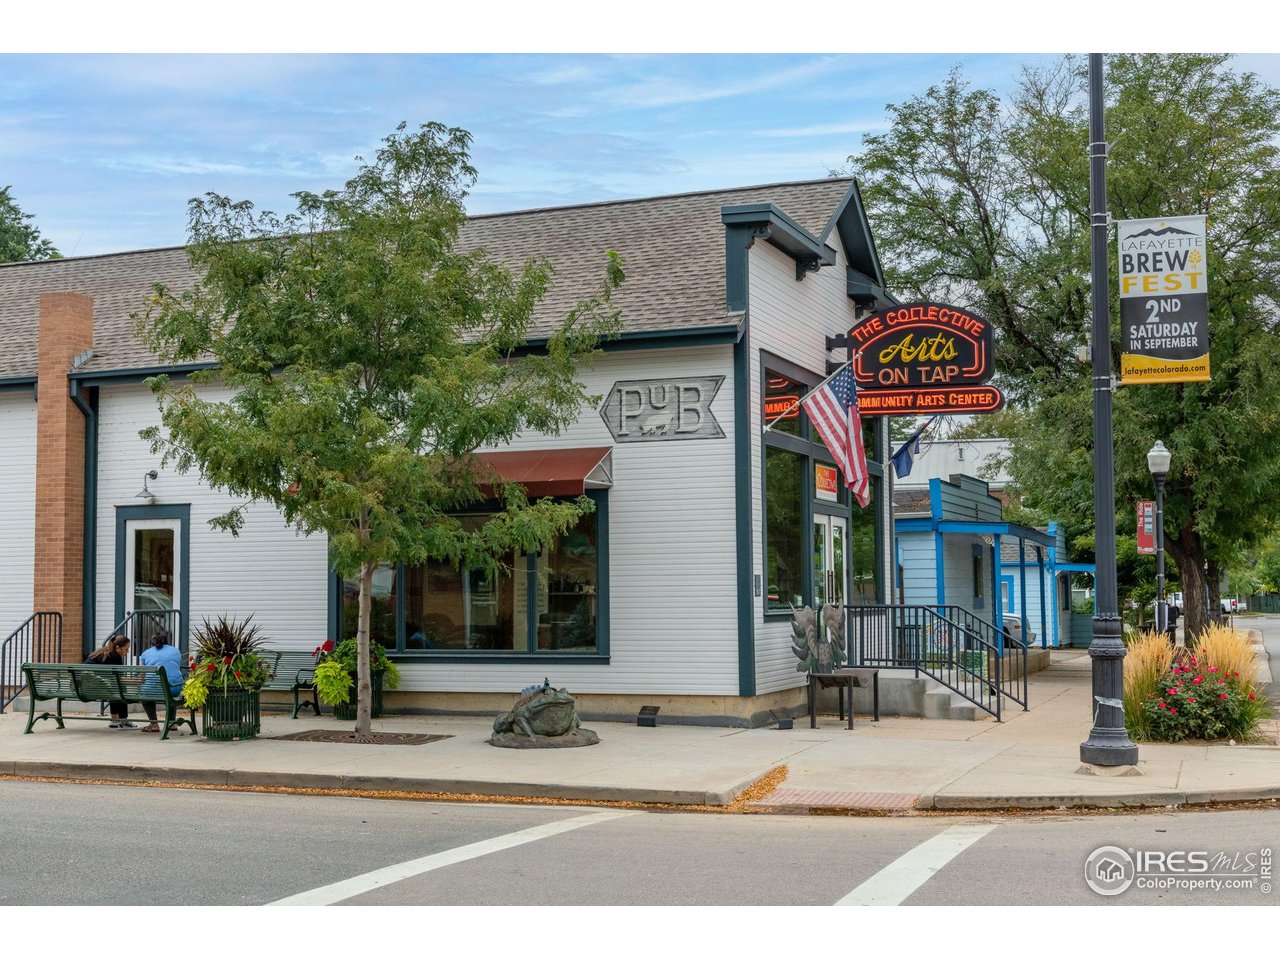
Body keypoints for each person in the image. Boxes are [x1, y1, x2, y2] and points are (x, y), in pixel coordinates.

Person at [138, 632, 186, 733]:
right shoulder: (175, 651)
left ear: (152, 642)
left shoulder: (145, 653)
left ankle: (154, 724)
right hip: (175, 688)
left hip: (154, 690)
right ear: (167, 641)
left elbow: (142, 677)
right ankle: (171, 723)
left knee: (145, 694)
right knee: (170, 693)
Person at [84, 635, 135, 729]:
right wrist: (135, 681)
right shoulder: (115, 657)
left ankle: (114, 719)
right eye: (126, 649)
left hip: (82, 688)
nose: (128, 652)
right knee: (120, 687)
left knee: (114, 686)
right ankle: (123, 720)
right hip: (93, 688)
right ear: (118, 648)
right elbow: (118, 680)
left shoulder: (100, 652)